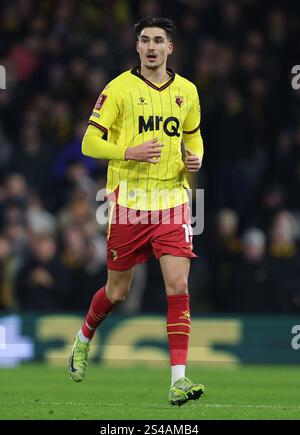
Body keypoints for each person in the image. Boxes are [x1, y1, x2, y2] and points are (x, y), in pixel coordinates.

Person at [68, 17, 205, 406]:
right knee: (118, 292)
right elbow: (88, 143)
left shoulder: (188, 92)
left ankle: (178, 380)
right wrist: (128, 151)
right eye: (144, 39)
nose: (150, 46)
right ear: (137, 47)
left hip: (173, 201)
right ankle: (83, 337)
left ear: (169, 48)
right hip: (128, 204)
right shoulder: (119, 89)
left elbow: (193, 135)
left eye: (158, 40)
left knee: (178, 285)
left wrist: (195, 159)